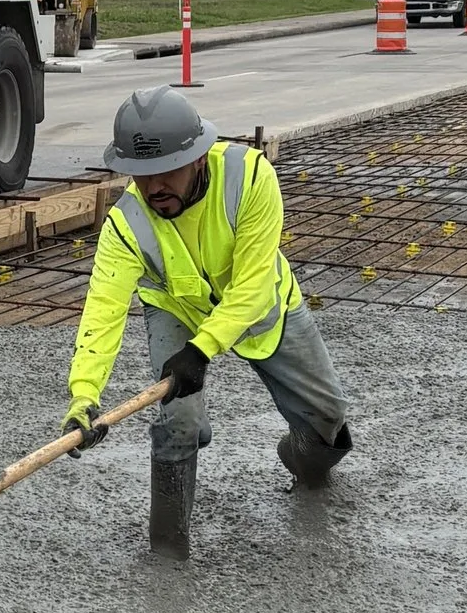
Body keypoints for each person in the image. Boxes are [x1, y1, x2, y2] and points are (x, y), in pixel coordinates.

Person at [63, 85, 352, 554]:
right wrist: (84, 396)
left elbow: (253, 285)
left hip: (260, 307)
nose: (154, 187)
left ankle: (305, 460)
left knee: (329, 417)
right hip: (177, 307)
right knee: (176, 426)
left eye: (166, 171)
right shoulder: (126, 223)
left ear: (198, 157)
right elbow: (103, 309)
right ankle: (167, 550)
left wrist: (201, 350)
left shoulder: (249, 178)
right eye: (140, 175)